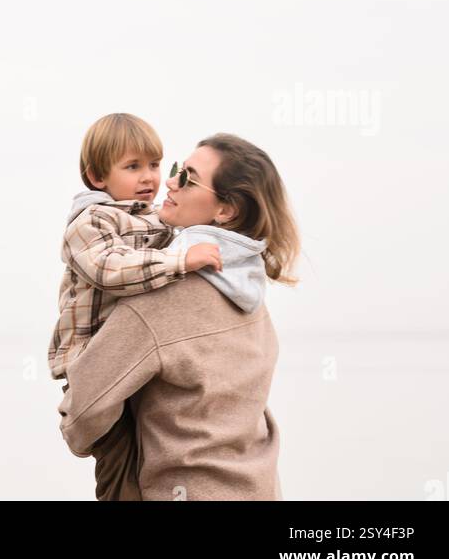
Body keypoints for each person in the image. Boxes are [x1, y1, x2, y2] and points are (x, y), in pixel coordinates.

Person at [58, 133, 300, 500]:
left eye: (187, 177)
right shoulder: (251, 296)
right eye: (175, 170)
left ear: (226, 211)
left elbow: (83, 414)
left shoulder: (160, 300)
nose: (168, 182)